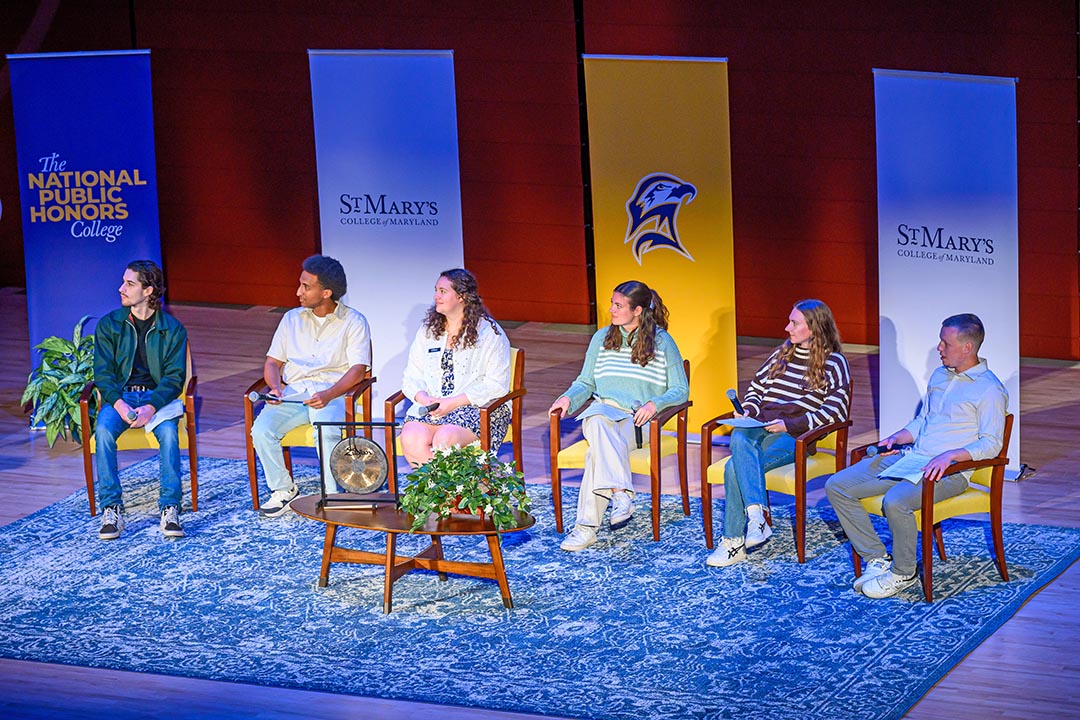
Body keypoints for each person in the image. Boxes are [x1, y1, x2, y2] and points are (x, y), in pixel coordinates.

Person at [825, 313, 1007, 599]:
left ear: (967, 347)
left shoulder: (990, 390)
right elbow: (924, 421)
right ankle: (876, 557)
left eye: (945, 343)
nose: (939, 348)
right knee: (838, 486)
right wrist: (898, 437)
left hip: (950, 472)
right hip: (912, 457)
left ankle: (903, 573)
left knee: (896, 501)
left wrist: (951, 456)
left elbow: (991, 444)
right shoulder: (939, 375)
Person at [706, 299, 851, 567]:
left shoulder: (834, 362)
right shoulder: (781, 354)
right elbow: (756, 389)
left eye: (794, 323)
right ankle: (757, 519)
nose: (787, 328)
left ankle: (733, 542)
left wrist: (790, 425)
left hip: (794, 436)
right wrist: (748, 410)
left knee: (732, 470)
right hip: (760, 427)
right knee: (739, 435)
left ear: (815, 328)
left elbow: (837, 412)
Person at [549, 280, 688, 551]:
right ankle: (620, 494)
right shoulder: (601, 338)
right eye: (612, 304)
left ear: (637, 310)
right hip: (603, 413)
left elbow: (681, 390)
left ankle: (586, 529)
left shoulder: (662, 341)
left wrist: (654, 404)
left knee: (595, 453)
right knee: (596, 418)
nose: (611, 310)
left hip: (638, 421)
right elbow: (585, 382)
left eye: (618, 305)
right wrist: (568, 397)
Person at [250, 255, 371, 518]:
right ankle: (283, 490)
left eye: (306, 287)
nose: (298, 292)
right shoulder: (291, 319)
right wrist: (275, 388)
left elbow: (358, 370)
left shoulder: (354, 321)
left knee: (325, 430)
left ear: (326, 293)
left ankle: (332, 493)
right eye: (300, 284)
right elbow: (272, 362)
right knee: (261, 430)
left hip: (332, 393)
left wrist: (329, 394)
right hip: (293, 394)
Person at [93, 259, 189, 540]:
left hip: (157, 399)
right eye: (124, 282)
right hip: (121, 397)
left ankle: (170, 507)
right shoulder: (110, 325)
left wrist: (150, 407)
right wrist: (119, 404)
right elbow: (103, 374)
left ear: (148, 291)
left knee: (169, 435)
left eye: (129, 283)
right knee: (103, 431)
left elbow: (174, 378)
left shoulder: (172, 329)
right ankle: (112, 507)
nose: (121, 288)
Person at [400, 268, 511, 467]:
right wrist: (424, 399)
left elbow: (497, 385)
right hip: (433, 407)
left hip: (476, 407)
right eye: (436, 290)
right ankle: (439, 495)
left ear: (462, 296)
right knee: (410, 437)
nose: (436, 296)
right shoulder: (428, 330)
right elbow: (412, 375)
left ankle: (453, 494)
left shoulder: (489, 333)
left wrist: (454, 403)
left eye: (443, 291)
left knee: (445, 439)